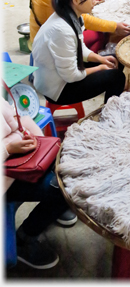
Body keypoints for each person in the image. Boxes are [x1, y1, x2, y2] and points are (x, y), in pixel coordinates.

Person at [3, 97, 77, 270]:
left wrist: (39, 142)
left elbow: (16, 114)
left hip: (18, 153)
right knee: (62, 188)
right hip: (7, 174)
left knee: (68, 165)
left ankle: (55, 207)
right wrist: (7, 148)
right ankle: (24, 239)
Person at [32, 0, 126, 107]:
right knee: (117, 77)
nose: (94, 1)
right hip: (57, 88)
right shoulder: (61, 30)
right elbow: (71, 76)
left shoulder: (73, 16)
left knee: (116, 60)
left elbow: (79, 47)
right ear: (76, 0)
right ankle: (109, 118)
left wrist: (100, 59)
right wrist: (99, 68)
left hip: (65, 72)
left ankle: (109, 108)